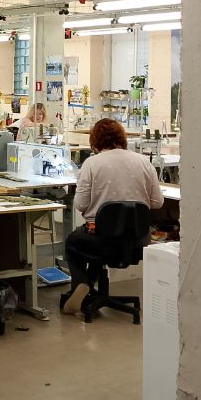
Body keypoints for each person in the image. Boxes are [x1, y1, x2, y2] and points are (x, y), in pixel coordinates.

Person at [61, 118, 164, 314]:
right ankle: (87, 286)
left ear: (95, 141)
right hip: (138, 241)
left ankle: (81, 284)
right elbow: (158, 202)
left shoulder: (92, 164)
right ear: (121, 137)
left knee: (73, 243)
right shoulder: (144, 162)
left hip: (100, 240)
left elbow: (80, 204)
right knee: (94, 244)